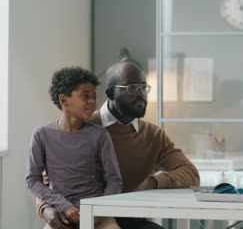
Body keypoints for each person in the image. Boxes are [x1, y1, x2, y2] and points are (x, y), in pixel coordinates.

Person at [36, 61, 200, 229]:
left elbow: (190, 173)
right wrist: (46, 209)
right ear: (111, 93)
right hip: (80, 218)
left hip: (130, 218)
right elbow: (46, 180)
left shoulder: (154, 135)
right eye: (131, 88)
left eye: (143, 88)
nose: (140, 94)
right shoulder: (80, 126)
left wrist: (153, 181)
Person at [26, 67, 123, 229]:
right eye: (85, 96)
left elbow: (114, 180)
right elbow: (33, 180)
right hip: (61, 216)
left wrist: (98, 212)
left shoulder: (100, 135)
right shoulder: (41, 135)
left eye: (93, 96)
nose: (92, 101)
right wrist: (64, 207)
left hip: (97, 216)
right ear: (64, 100)